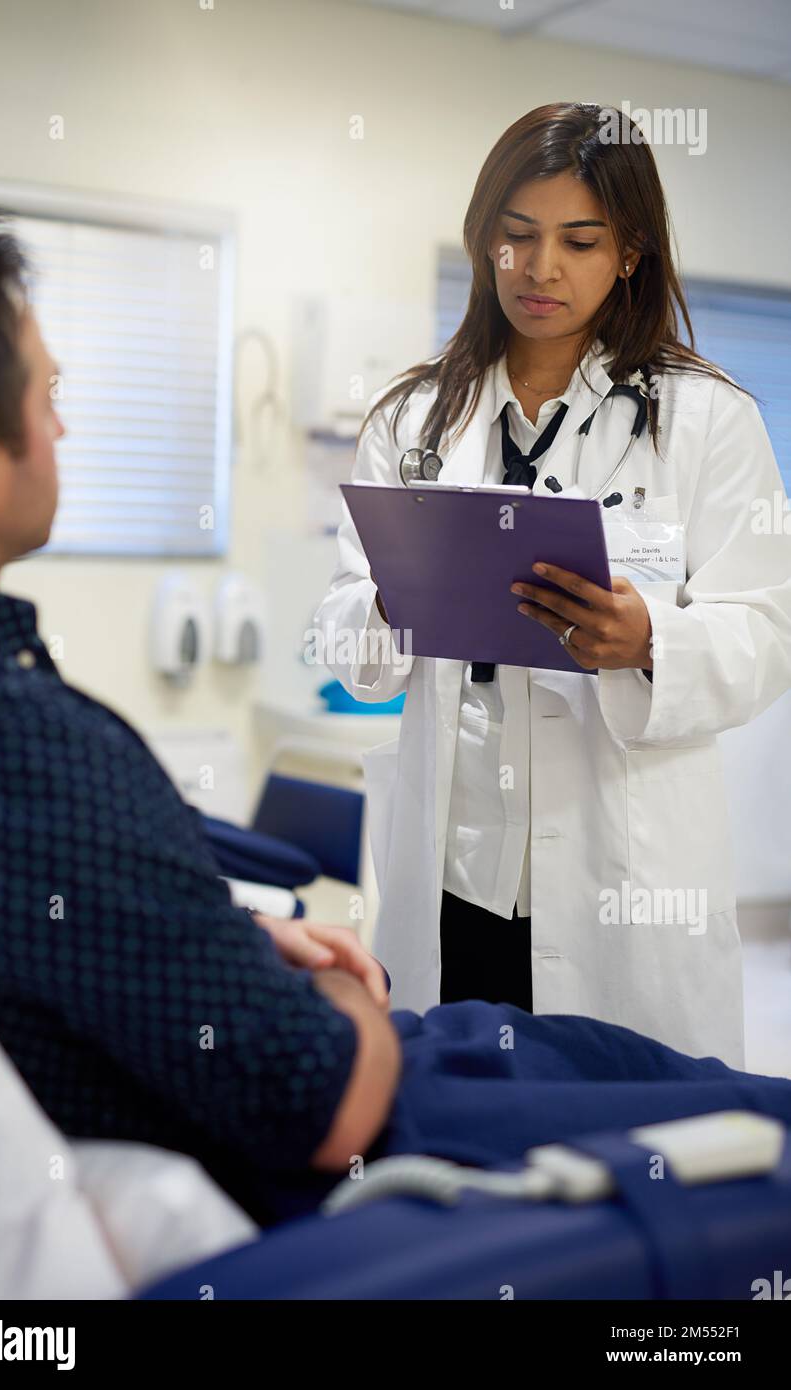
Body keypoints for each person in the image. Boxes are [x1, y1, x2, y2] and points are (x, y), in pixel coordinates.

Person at [0, 202, 401, 1222]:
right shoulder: (16, 738)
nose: (62, 424)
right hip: (341, 1163)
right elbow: (322, 1102)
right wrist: (356, 990)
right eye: (46, 396)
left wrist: (206, 928)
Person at [316, 101, 791, 1069]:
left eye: (579, 241)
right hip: (455, 870)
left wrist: (651, 639)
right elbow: (344, 635)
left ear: (631, 252)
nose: (541, 270)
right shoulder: (412, 419)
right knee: (458, 1113)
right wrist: (389, 607)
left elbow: (768, 627)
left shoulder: (706, 420)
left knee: (618, 1129)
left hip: (621, 873)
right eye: (517, 237)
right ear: (483, 241)